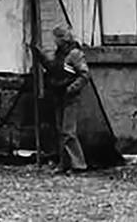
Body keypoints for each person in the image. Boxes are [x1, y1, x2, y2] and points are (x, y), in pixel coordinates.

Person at [47, 24, 89, 173]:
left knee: (68, 131)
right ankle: (64, 163)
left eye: (56, 38)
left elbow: (84, 75)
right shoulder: (59, 54)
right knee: (61, 131)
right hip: (58, 95)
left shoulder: (75, 54)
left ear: (61, 39)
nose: (54, 41)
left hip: (70, 96)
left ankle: (79, 165)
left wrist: (71, 89)